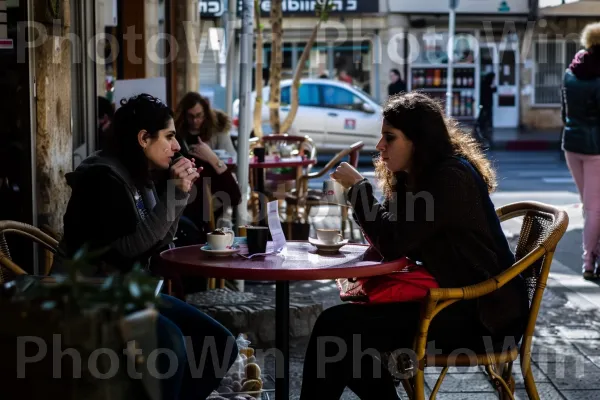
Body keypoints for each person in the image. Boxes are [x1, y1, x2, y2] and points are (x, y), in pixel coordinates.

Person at [299, 92, 529, 399]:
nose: (380, 147)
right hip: (450, 301)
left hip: (482, 317)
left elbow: (393, 242)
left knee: (337, 329)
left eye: (389, 138)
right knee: (346, 334)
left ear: (418, 141)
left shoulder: (450, 177)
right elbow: (394, 235)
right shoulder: (417, 177)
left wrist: (358, 189)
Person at [51, 93, 238, 400]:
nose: (177, 146)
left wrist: (179, 195)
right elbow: (128, 251)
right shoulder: (102, 179)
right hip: (89, 299)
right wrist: (175, 195)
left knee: (220, 343)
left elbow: (160, 240)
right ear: (143, 138)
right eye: (169, 136)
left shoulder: (140, 175)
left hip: (131, 293)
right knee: (172, 344)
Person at [561, 22, 600, 280]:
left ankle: (593, 256)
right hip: (596, 147)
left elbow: (565, 112)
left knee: (590, 206)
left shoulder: (570, 72)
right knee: (595, 208)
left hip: (571, 144)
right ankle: (589, 261)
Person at [174, 92, 241, 236]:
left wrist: (212, 157)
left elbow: (234, 194)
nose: (195, 120)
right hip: (186, 204)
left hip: (212, 200)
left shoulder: (217, 133)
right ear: (184, 116)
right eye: (191, 116)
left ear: (206, 114)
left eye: (199, 115)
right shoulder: (177, 138)